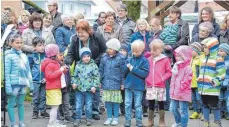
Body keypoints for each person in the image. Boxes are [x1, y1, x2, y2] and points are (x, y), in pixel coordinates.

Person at [65, 20, 106, 120]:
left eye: (82, 32)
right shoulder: (74, 39)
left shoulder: (97, 36)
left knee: (94, 88)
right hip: (80, 67)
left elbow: (104, 51)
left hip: (94, 66)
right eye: (78, 32)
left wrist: (94, 62)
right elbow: (70, 54)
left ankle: (94, 110)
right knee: (78, 89)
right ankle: (78, 110)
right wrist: (68, 63)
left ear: (88, 31)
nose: (80, 35)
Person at [5, 34, 33, 127]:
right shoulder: (8, 56)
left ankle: (21, 122)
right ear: (11, 43)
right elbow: (7, 73)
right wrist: (8, 87)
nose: (19, 44)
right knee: (11, 103)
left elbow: (28, 71)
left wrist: (31, 84)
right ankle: (13, 123)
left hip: (23, 83)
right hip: (13, 84)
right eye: (17, 42)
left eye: (21, 42)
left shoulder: (24, 56)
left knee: (21, 103)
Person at [198, 37, 226, 127]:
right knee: (204, 105)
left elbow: (221, 74)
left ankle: (217, 122)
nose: (204, 49)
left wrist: (215, 82)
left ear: (212, 48)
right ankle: (206, 122)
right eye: (203, 47)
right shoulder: (203, 59)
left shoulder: (218, 59)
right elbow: (201, 72)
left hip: (212, 89)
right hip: (203, 88)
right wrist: (199, 80)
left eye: (206, 47)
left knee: (214, 106)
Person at [145, 39, 172, 127]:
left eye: (155, 50)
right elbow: (146, 70)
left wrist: (162, 78)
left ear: (161, 49)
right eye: (151, 49)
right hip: (150, 85)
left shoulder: (165, 59)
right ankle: (150, 120)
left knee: (161, 103)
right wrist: (147, 78)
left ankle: (162, 120)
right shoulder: (148, 59)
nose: (152, 52)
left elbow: (169, 72)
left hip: (160, 85)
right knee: (150, 103)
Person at [124, 40, 149, 127]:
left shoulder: (144, 60)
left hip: (139, 86)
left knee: (138, 105)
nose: (134, 53)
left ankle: (139, 122)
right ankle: (127, 121)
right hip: (128, 85)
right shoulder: (129, 59)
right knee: (127, 104)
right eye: (133, 51)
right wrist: (126, 67)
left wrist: (133, 68)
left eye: (137, 51)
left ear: (142, 50)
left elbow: (145, 74)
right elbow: (124, 73)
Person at [41, 44, 68, 127]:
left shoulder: (55, 63)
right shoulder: (50, 64)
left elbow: (57, 74)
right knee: (54, 107)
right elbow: (49, 76)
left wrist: (64, 70)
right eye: (58, 53)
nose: (59, 54)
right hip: (52, 88)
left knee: (55, 107)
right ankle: (51, 123)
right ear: (53, 54)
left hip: (56, 87)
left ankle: (54, 121)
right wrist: (60, 71)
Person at [100, 38, 125, 126]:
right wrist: (100, 81)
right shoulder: (104, 57)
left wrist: (122, 83)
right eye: (108, 48)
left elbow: (123, 72)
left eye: (110, 48)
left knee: (115, 101)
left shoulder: (121, 58)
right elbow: (101, 70)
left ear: (115, 49)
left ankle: (115, 118)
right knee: (108, 101)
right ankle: (109, 117)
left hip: (116, 83)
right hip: (106, 83)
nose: (108, 50)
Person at [72, 47, 100, 127]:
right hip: (79, 90)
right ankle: (77, 119)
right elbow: (75, 76)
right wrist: (74, 83)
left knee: (88, 105)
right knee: (78, 105)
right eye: (84, 56)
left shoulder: (93, 66)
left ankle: (88, 118)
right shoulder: (78, 65)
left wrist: (94, 86)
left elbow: (96, 77)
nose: (86, 58)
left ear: (90, 56)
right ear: (81, 57)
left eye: (88, 56)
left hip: (89, 90)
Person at [169, 45, 193, 127]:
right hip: (174, 92)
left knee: (183, 110)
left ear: (185, 56)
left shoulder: (188, 68)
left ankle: (183, 124)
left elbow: (186, 81)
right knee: (172, 108)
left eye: (179, 56)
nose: (177, 58)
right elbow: (173, 80)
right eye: (177, 56)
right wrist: (172, 90)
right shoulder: (176, 66)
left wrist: (180, 89)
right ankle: (178, 121)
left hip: (183, 93)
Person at [30, 37, 49, 119]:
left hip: (44, 80)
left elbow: (49, 68)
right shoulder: (32, 56)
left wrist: (46, 78)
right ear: (34, 47)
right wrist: (31, 78)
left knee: (43, 96)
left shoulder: (47, 56)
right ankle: (35, 112)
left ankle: (43, 111)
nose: (42, 47)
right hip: (35, 80)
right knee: (36, 97)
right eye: (39, 45)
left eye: (43, 45)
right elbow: (29, 68)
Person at [56, 52, 74, 124]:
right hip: (58, 88)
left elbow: (68, 76)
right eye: (60, 55)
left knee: (66, 102)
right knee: (59, 103)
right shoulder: (56, 65)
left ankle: (67, 116)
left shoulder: (67, 65)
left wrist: (69, 84)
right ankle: (60, 116)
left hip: (66, 87)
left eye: (63, 55)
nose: (62, 57)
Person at [189, 42, 203, 119]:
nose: (190, 52)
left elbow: (201, 71)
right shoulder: (191, 59)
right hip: (191, 83)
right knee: (193, 99)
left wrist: (200, 79)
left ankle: (202, 112)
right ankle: (195, 112)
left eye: (192, 50)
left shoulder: (200, 59)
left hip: (198, 83)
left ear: (197, 51)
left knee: (199, 98)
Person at [218, 43, 229, 120]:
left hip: (227, 84)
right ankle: (220, 112)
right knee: (219, 99)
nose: (219, 52)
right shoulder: (217, 60)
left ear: (227, 52)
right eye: (218, 50)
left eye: (221, 51)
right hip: (219, 83)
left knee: (226, 99)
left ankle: (226, 112)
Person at [119, 43, 129, 115]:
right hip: (118, 81)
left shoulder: (128, 61)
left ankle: (125, 110)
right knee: (119, 97)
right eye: (120, 50)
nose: (122, 52)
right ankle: (120, 109)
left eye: (124, 50)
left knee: (125, 97)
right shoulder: (117, 60)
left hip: (127, 81)